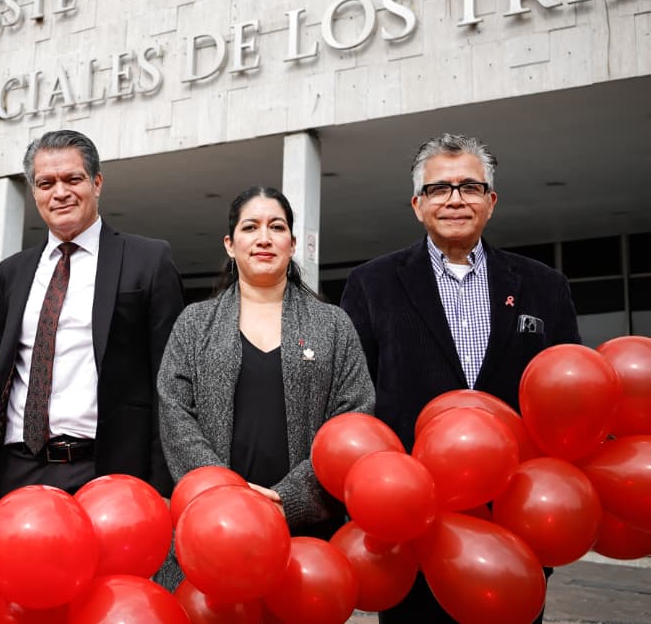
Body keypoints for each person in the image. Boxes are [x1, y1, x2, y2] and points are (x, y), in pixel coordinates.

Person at [340, 133, 581, 623]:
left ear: (491, 201)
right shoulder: (372, 284)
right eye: (438, 188)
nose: (455, 199)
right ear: (417, 204)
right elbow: (353, 401)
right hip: (411, 520)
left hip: (517, 518)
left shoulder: (544, 286)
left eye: (470, 187)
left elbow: (569, 402)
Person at [155, 186, 374, 587]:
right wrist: (224, 493)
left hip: (306, 536)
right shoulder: (194, 324)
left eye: (276, 227)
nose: (264, 238)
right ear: (230, 244)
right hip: (212, 527)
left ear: (292, 243)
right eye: (250, 227)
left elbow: (354, 416)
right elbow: (175, 414)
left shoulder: (333, 325)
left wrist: (288, 500)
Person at [0, 129, 185, 504]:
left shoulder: (149, 260)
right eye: (46, 183)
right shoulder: (12, 272)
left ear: (97, 183)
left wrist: (160, 487)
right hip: (19, 468)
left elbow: (169, 382)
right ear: (34, 192)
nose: (60, 193)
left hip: (108, 471)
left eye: (73, 179)